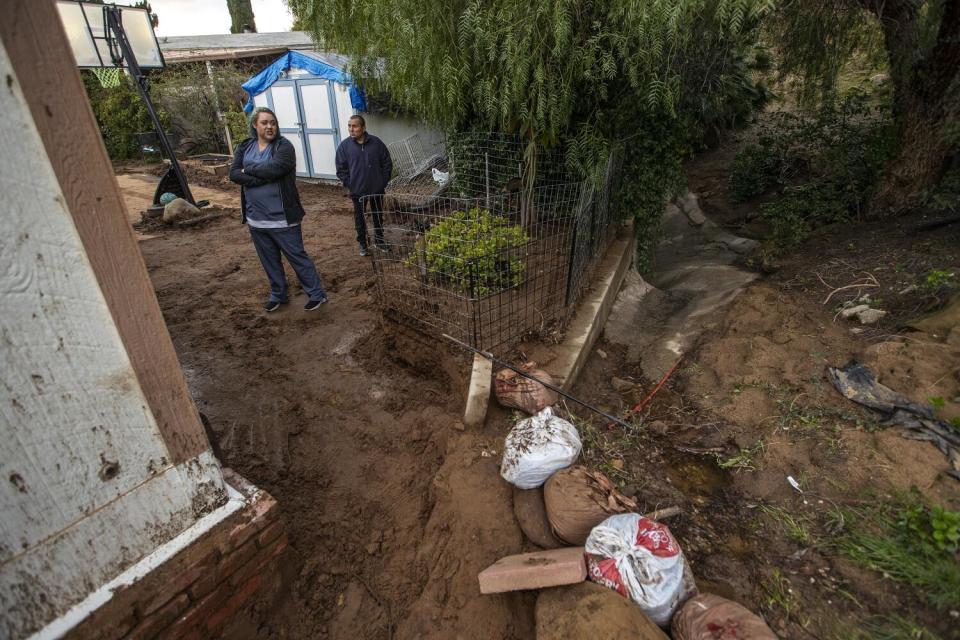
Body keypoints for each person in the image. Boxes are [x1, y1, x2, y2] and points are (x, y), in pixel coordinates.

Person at [229, 107, 328, 312]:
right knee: (269, 261)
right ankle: (278, 294)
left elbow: (275, 169)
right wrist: (259, 177)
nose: (269, 126)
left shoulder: (284, 147)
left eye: (273, 122)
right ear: (255, 125)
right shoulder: (245, 147)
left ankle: (316, 294)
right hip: (256, 219)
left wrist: (248, 171)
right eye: (264, 122)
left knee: (297, 257)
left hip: (283, 218)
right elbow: (234, 174)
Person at [335, 115, 393, 256]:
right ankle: (362, 243)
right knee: (359, 218)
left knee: (377, 215)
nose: (351, 129)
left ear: (363, 128)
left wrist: (382, 182)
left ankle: (379, 240)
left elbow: (387, 164)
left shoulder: (376, 143)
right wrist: (351, 185)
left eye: (354, 126)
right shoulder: (345, 146)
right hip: (357, 191)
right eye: (349, 126)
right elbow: (341, 169)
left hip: (376, 189)